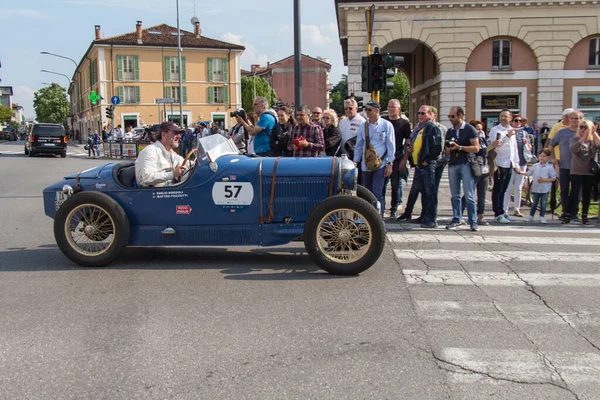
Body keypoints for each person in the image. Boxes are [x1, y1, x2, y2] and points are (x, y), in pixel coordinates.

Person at [352, 100, 395, 217]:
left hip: (381, 164)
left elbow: (391, 145)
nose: (367, 112)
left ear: (377, 110)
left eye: (369, 110)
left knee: (377, 192)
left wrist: (390, 163)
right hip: (366, 164)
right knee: (367, 192)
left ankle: (379, 217)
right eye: (366, 110)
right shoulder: (363, 126)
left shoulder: (386, 125)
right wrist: (356, 162)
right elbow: (359, 145)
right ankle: (368, 216)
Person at [445, 106, 480, 231]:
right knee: (455, 195)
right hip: (453, 163)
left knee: (469, 195)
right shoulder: (450, 131)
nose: (450, 119)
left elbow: (476, 148)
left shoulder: (469, 129)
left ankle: (473, 221)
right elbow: (447, 151)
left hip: (466, 163)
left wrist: (459, 147)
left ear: (460, 116)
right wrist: (449, 149)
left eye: (452, 116)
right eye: (449, 116)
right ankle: (457, 218)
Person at [562, 119, 600, 225]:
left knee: (587, 194)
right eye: (581, 127)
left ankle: (584, 215)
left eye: (585, 127)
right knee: (574, 193)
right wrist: (583, 137)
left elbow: (599, 144)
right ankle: (567, 215)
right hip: (577, 170)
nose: (583, 129)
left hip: (589, 171)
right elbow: (574, 149)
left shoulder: (592, 141)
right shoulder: (574, 139)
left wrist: (593, 132)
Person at [488, 109, 520, 223]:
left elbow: (514, 148)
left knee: (505, 189)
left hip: (509, 162)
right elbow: (495, 145)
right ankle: (497, 212)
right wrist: (506, 136)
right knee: (498, 188)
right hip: (499, 162)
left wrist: (516, 163)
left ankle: (502, 211)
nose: (503, 118)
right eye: (501, 116)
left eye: (505, 116)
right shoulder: (495, 130)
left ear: (510, 118)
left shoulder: (512, 130)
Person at [549, 110, 582, 221]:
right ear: (568, 119)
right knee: (564, 190)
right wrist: (553, 158)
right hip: (564, 165)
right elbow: (552, 144)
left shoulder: (583, 132)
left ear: (580, 119)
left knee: (576, 191)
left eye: (576, 118)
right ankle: (565, 211)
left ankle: (574, 213)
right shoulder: (562, 132)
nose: (574, 120)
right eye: (572, 118)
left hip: (579, 167)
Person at [135, 121, 190, 187]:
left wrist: (197, 162)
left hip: (170, 190)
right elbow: (147, 178)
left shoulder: (171, 152)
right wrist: (173, 174)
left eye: (179, 133)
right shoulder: (150, 151)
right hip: (152, 193)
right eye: (175, 133)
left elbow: (186, 163)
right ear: (164, 134)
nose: (179, 136)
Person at [382, 99, 411, 219]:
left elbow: (408, 142)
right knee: (382, 185)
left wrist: (404, 159)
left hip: (398, 157)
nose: (391, 109)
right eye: (389, 107)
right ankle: (381, 208)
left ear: (399, 109)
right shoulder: (384, 121)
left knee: (395, 185)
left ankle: (394, 209)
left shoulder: (404, 123)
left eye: (393, 107)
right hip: (384, 157)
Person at [503, 114, 532, 218]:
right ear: (511, 121)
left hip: (522, 162)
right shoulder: (509, 132)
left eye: (521, 121)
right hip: (510, 163)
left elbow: (529, 148)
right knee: (508, 187)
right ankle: (505, 209)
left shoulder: (524, 133)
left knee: (518, 187)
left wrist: (527, 144)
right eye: (516, 120)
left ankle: (517, 208)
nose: (518, 123)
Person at [462, 120, 490, 226]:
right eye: (477, 129)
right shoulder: (470, 140)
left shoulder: (482, 139)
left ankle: (480, 216)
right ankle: (459, 214)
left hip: (484, 168)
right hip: (474, 168)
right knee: (469, 193)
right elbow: (481, 151)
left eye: (481, 128)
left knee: (482, 194)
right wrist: (493, 146)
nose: (479, 131)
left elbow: (487, 154)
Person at [522, 149, 556, 224]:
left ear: (548, 157)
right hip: (536, 188)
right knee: (534, 203)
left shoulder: (549, 167)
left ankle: (542, 216)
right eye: (540, 155)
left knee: (543, 203)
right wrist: (521, 172)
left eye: (544, 156)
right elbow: (529, 173)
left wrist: (544, 180)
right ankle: (531, 215)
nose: (541, 157)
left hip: (545, 189)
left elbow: (553, 178)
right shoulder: (535, 166)